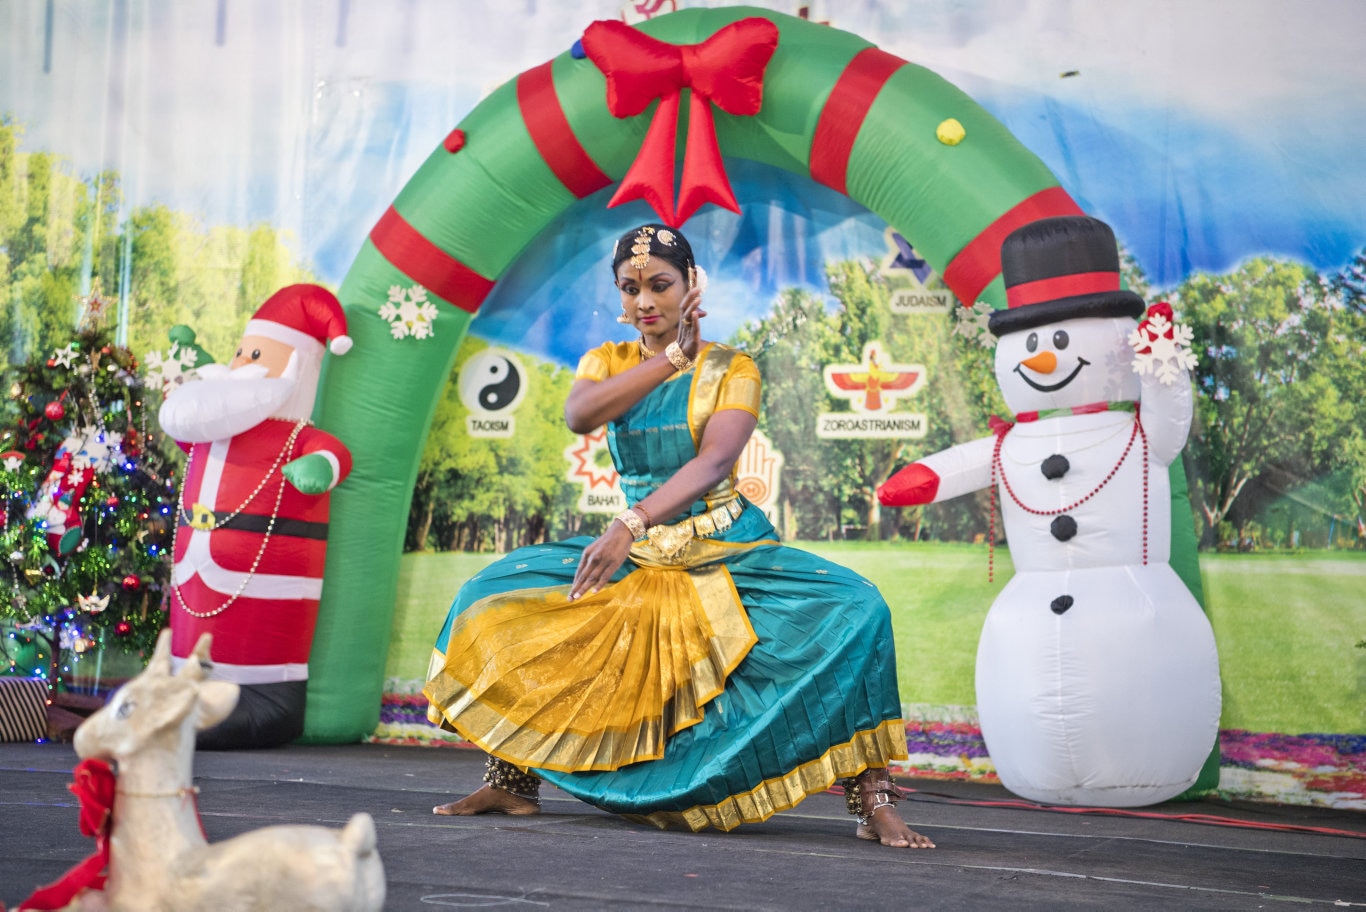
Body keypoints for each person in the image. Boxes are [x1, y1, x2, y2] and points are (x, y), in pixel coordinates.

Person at [423, 224, 933, 848]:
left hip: (725, 546)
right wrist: (670, 360)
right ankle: (512, 779)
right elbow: (581, 414)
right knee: (493, 597)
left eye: (661, 285)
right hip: (638, 552)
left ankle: (872, 800)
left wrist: (628, 521)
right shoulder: (605, 362)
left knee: (857, 610)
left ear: (691, 285)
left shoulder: (732, 368)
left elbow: (714, 463)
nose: (645, 302)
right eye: (630, 288)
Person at [159, 284, 353, 749]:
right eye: (241, 353)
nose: (243, 363)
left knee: (254, 659)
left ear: (296, 367)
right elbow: (194, 426)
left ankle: (245, 707)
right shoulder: (218, 429)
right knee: (190, 653)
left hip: (264, 633)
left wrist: (321, 465)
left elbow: (334, 456)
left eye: (257, 354)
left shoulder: (298, 435)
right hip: (195, 577)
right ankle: (182, 694)